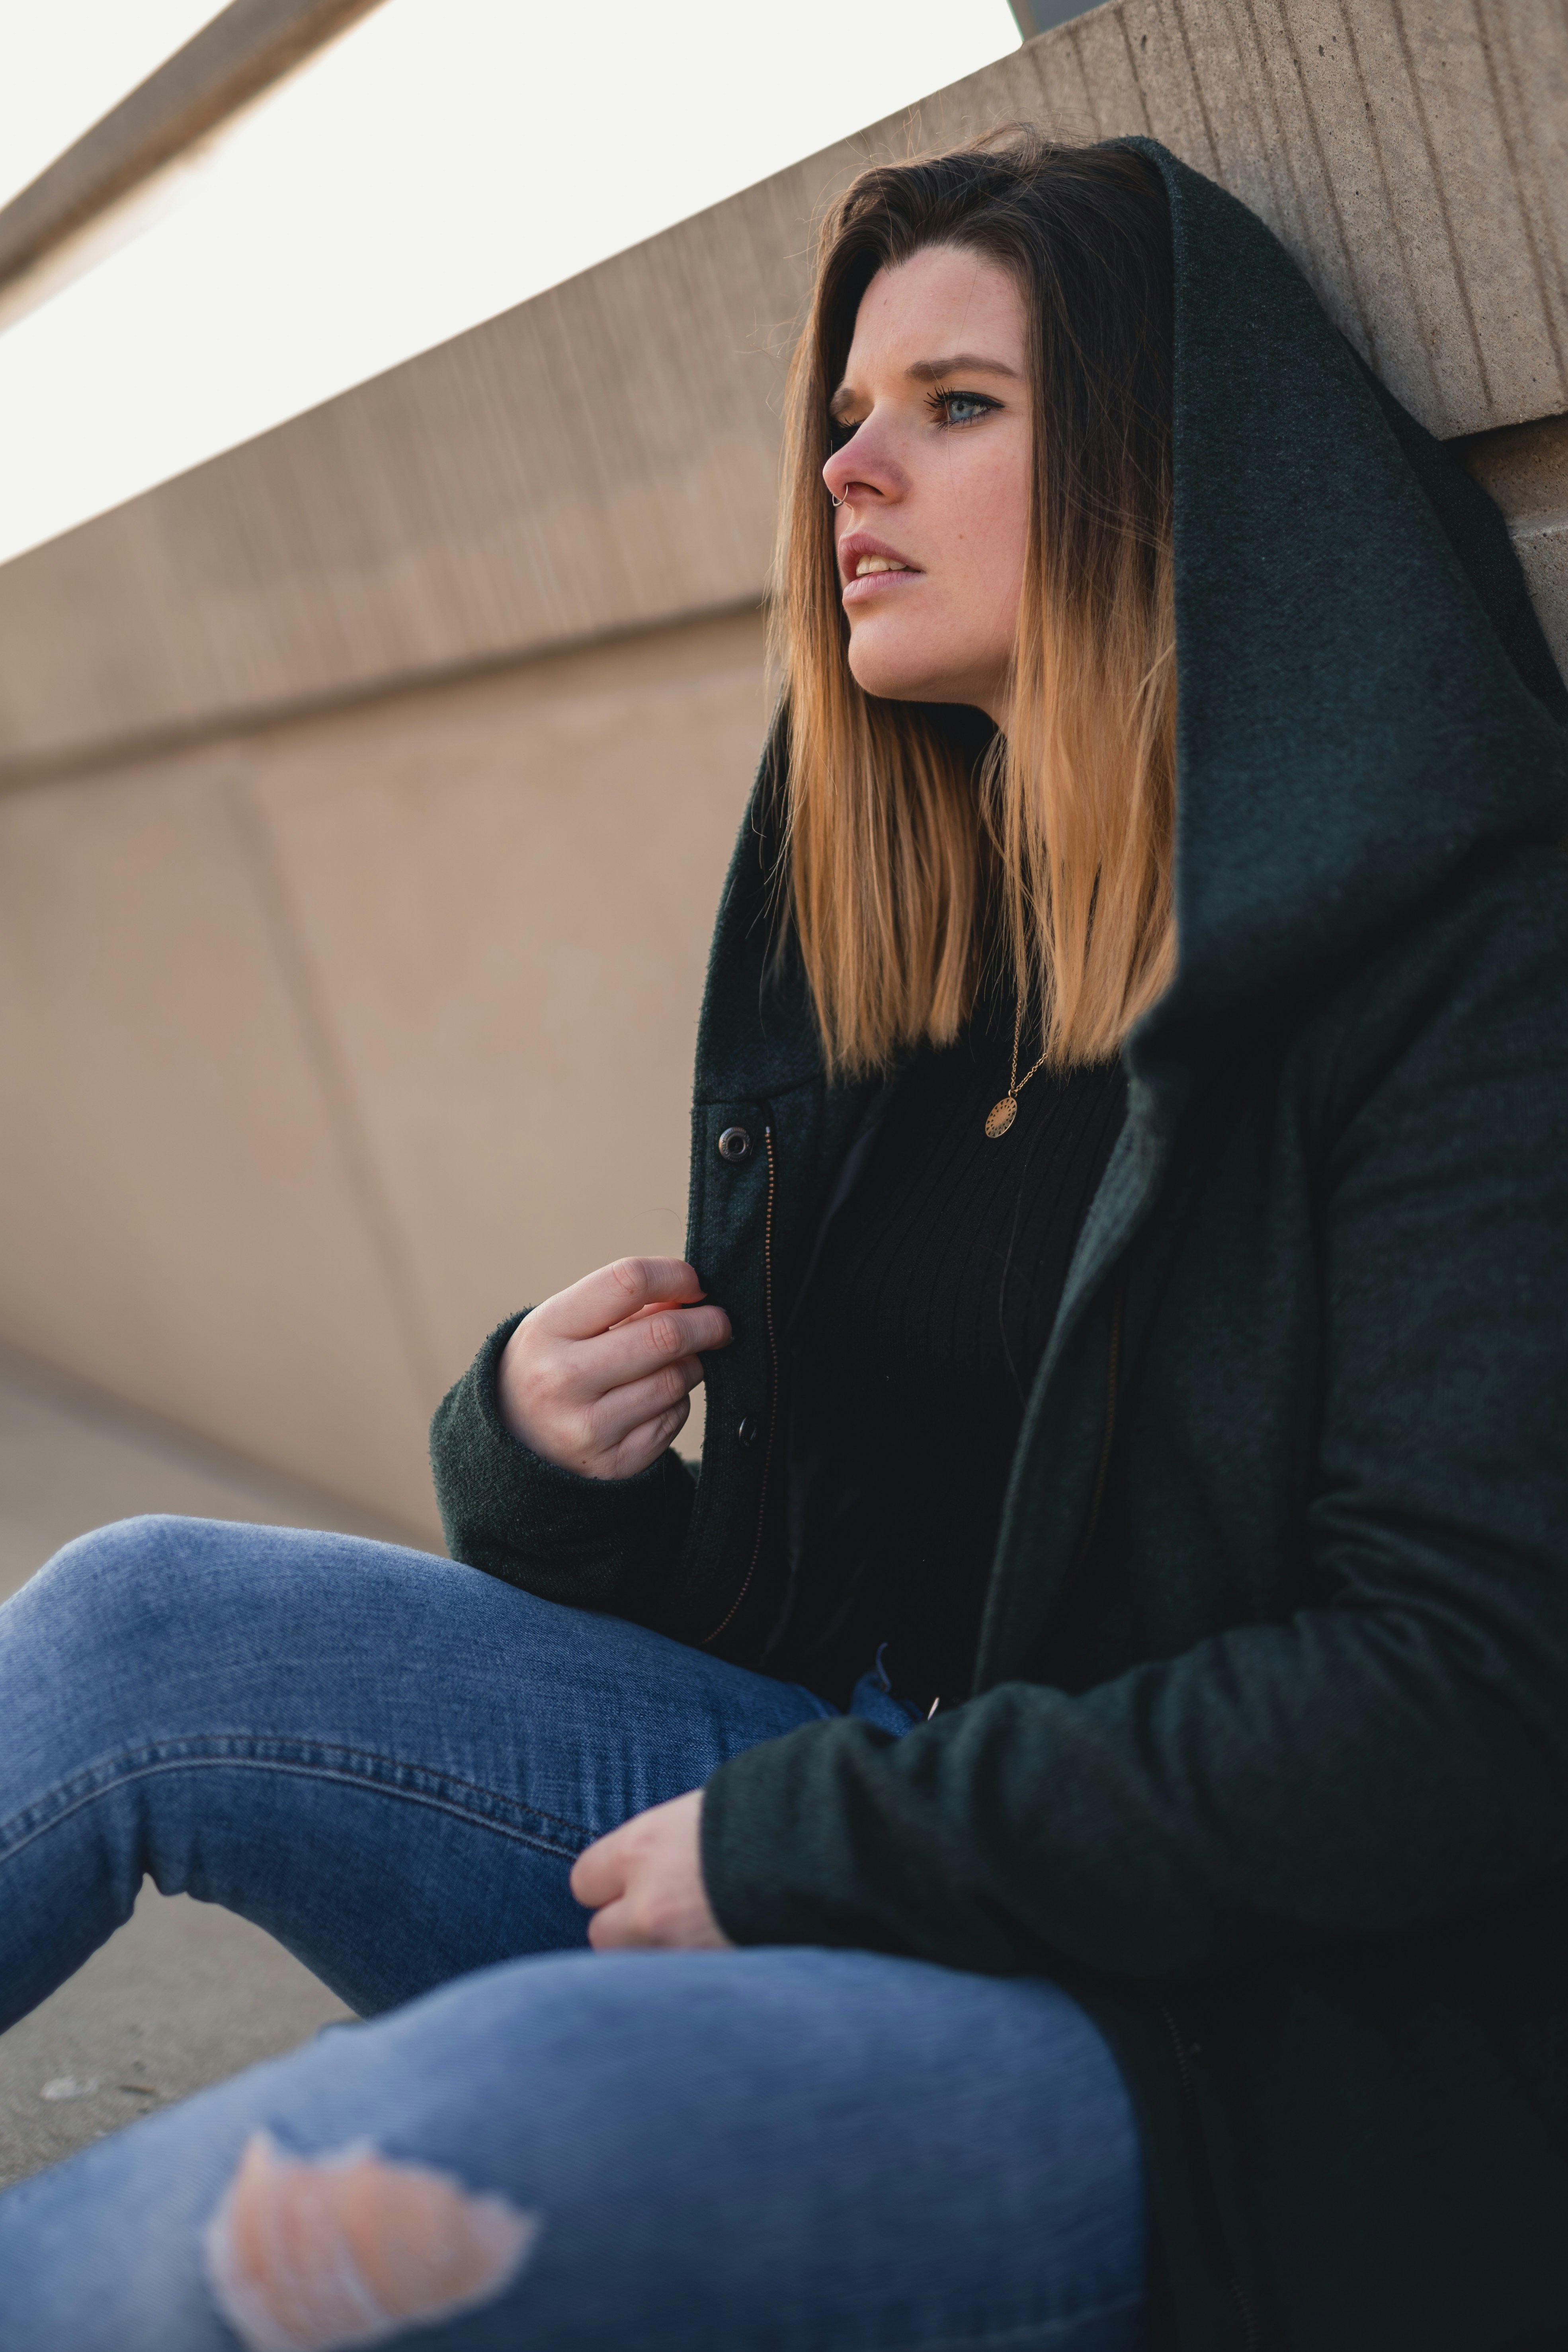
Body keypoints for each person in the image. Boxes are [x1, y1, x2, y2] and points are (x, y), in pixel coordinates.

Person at [0, 128, 1565, 2352]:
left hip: (1234, 2038)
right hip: (879, 1823)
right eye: (843, 414)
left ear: (1164, 462)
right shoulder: (925, 940)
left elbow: (1468, 1700)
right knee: (144, 1617)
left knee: (407, 2162)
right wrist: (548, 1467)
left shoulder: (1460, 962)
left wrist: (822, 1841)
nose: (849, 469)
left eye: (953, 406)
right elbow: (841, 1603)